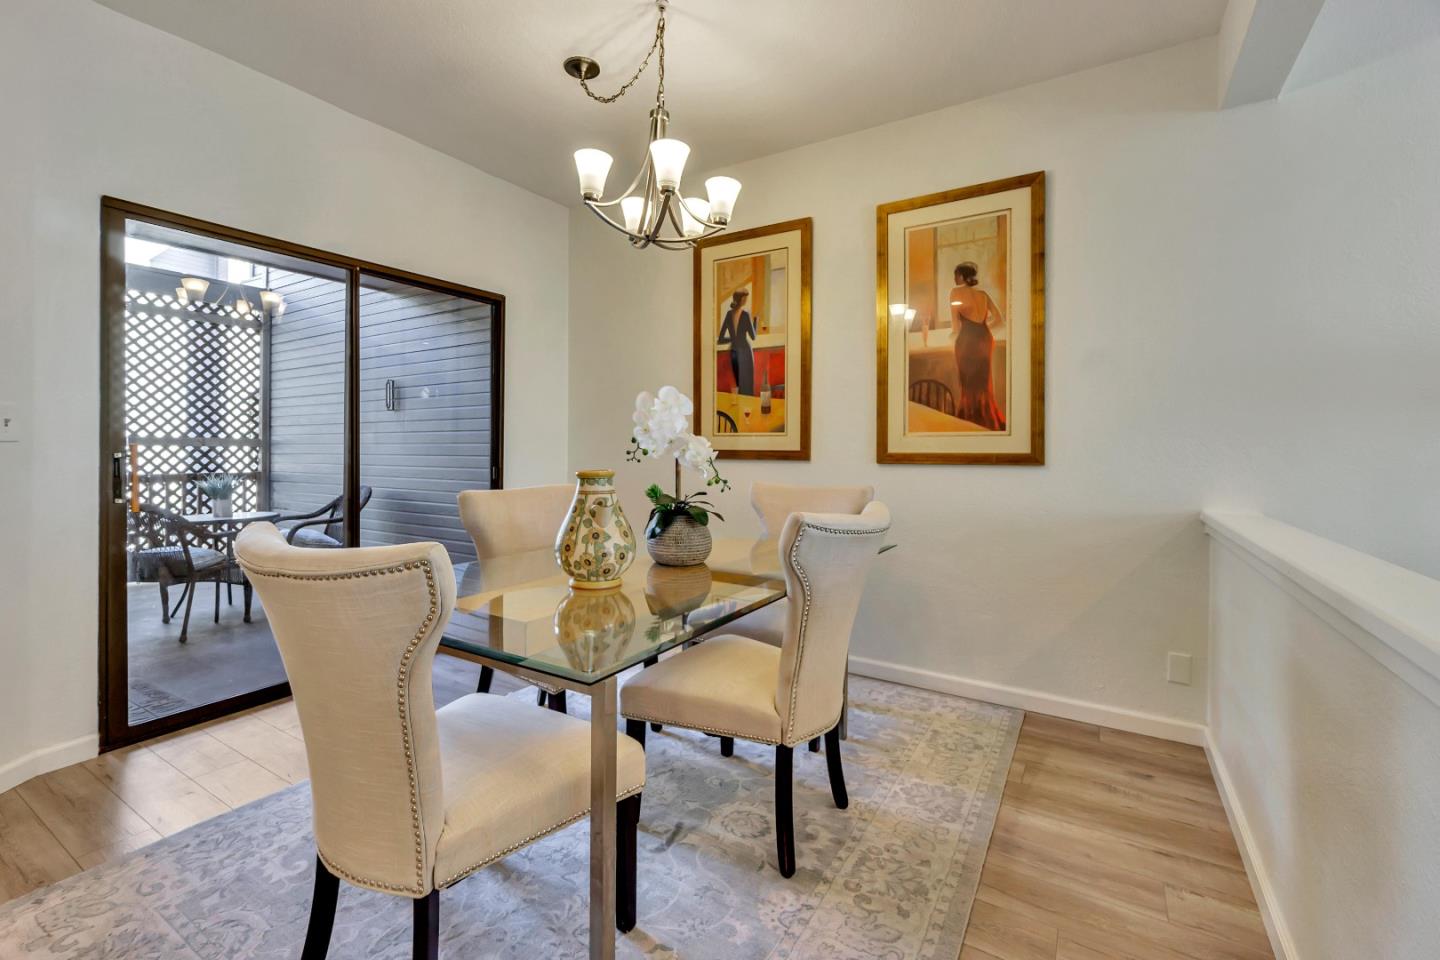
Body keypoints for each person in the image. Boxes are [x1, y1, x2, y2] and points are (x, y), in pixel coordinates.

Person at [948, 262, 1007, 431]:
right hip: (984, 339)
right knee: (983, 383)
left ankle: (970, 421)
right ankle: (986, 421)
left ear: (961, 276)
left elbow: (955, 327)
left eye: (956, 275)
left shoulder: (955, 292)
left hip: (967, 341)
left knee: (968, 383)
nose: (954, 278)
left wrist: (955, 335)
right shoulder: (983, 294)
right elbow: (999, 320)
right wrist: (983, 328)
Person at [717, 289, 757, 396]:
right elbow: (753, 337)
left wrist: (733, 339)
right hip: (745, 351)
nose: (747, 300)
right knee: (747, 384)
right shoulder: (745, 315)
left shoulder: (729, 314)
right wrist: (755, 322)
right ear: (743, 299)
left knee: (738, 383)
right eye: (746, 298)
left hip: (734, 351)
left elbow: (720, 339)